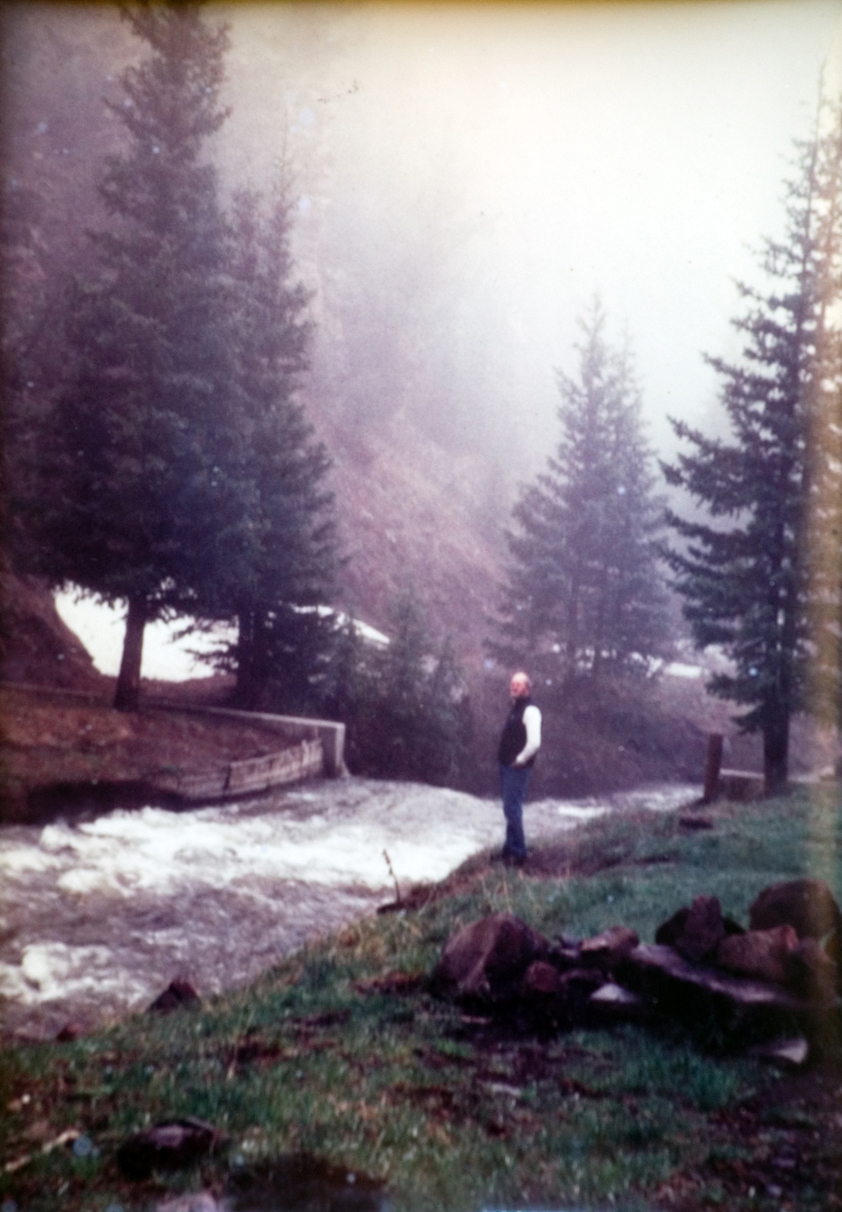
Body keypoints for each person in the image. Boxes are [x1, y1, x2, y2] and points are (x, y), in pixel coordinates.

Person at [496, 670, 541, 866]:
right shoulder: (516, 708)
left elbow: (534, 743)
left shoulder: (530, 711)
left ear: (527, 688)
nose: (514, 687)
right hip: (508, 766)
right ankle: (509, 849)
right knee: (509, 808)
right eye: (512, 684)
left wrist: (520, 760)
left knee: (512, 808)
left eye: (519, 684)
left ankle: (518, 854)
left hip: (518, 768)